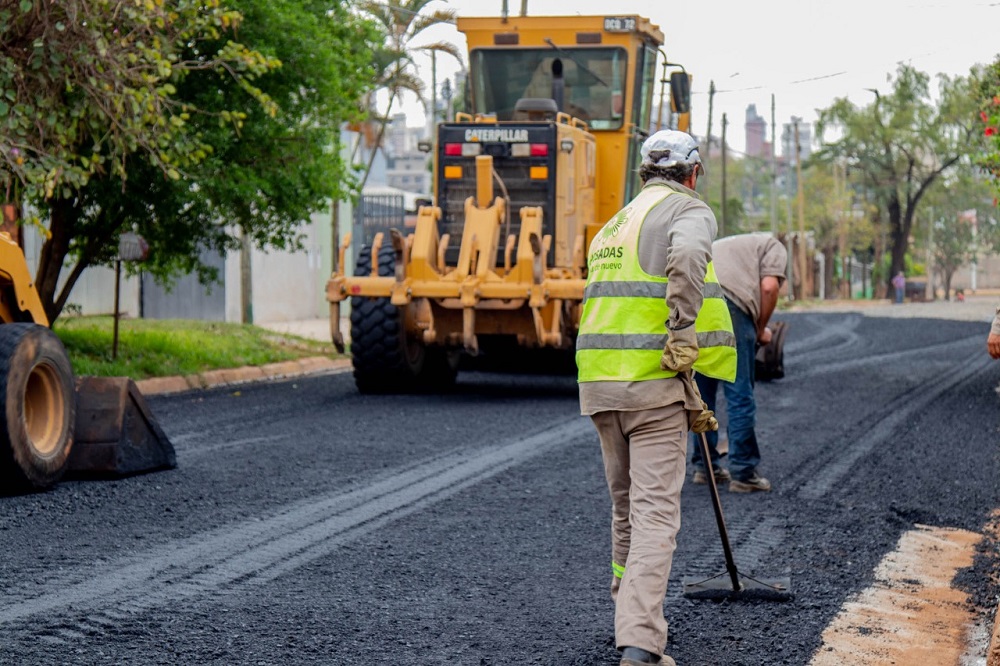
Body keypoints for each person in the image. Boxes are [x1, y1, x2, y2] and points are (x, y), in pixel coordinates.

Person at [576, 130, 737, 666]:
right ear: (692, 175)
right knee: (654, 517)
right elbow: (690, 254)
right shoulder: (686, 211)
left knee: (625, 511)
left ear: (644, 174)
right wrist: (682, 328)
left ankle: (627, 614)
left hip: (601, 385)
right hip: (652, 386)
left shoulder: (614, 225)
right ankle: (642, 645)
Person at [690, 233, 787, 493]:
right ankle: (743, 472)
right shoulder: (773, 245)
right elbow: (769, 287)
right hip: (730, 305)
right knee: (739, 391)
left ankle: (705, 466)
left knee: (701, 393)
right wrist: (760, 328)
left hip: (696, 304)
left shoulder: (729, 244)